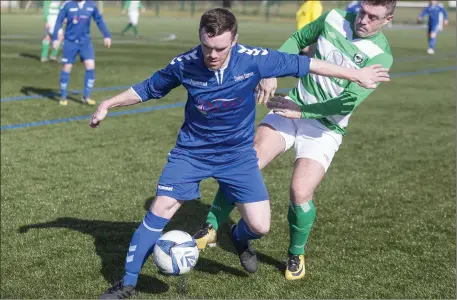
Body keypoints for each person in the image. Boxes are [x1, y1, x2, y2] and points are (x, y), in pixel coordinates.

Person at [90, 8, 389, 299]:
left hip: (236, 156)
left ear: (234, 40)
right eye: (207, 47)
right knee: (159, 210)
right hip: (191, 153)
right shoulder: (185, 63)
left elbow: (308, 64)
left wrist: (354, 74)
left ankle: (239, 237)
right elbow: (147, 88)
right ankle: (127, 284)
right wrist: (108, 103)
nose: (213, 55)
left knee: (260, 226)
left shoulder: (254, 59)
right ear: (200, 38)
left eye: (220, 48)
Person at [194, 0, 395, 281]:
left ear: (388, 19)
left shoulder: (381, 58)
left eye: (373, 17)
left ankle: (294, 252)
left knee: (300, 192)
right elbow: (299, 39)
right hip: (293, 105)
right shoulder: (336, 17)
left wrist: (302, 111)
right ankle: (211, 226)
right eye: (362, 11)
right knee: (247, 161)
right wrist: (273, 72)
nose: (363, 20)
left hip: (325, 126)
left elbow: (346, 103)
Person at [52, 0, 112, 106]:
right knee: (67, 67)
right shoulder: (68, 5)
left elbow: (99, 20)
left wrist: (106, 35)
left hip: (85, 42)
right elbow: (59, 21)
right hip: (70, 42)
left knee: (90, 66)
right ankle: (63, 96)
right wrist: (55, 38)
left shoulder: (91, 5)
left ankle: (86, 97)